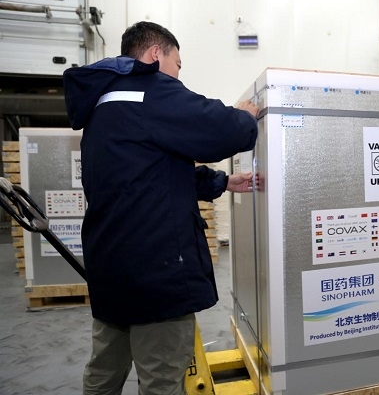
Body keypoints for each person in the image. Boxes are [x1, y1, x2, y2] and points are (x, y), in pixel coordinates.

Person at [62, 21, 259, 394]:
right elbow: (221, 129)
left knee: (104, 370)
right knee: (162, 379)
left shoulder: (104, 105)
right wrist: (246, 116)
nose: (177, 74)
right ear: (156, 54)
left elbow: (147, 177)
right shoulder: (149, 90)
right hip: (156, 270)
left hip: (111, 268)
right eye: (177, 64)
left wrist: (221, 182)